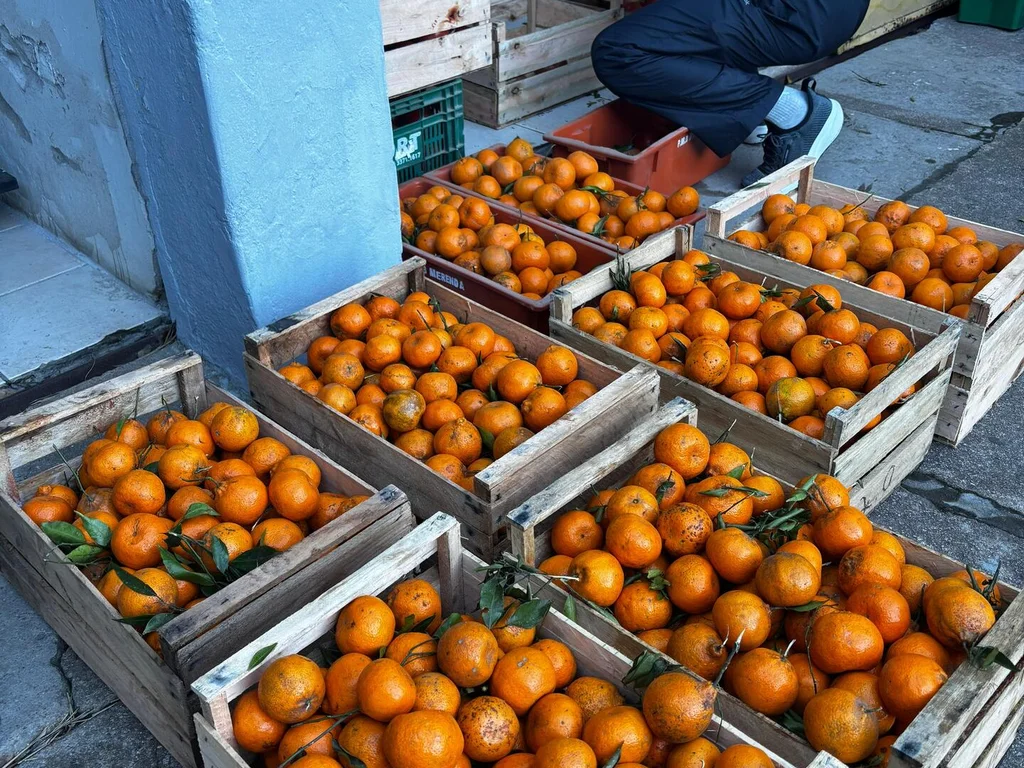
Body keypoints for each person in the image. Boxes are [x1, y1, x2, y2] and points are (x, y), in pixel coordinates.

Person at [591, 0, 870, 186]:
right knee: (672, 21)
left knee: (617, 51)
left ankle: (793, 112)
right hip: (831, 11)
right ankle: (744, 111)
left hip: (796, 15)